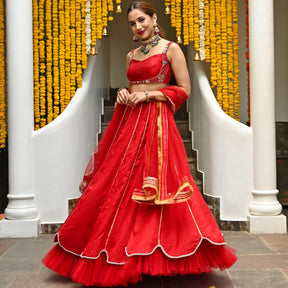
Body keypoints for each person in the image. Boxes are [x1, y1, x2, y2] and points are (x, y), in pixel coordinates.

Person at [42, 1, 237, 286]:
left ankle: (166, 253)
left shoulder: (171, 49)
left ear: (154, 17)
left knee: (160, 185)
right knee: (119, 183)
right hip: (129, 123)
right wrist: (123, 92)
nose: (138, 26)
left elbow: (185, 89)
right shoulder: (131, 54)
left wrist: (149, 97)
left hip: (157, 122)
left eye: (142, 20)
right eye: (132, 23)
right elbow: (132, 85)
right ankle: (121, 251)